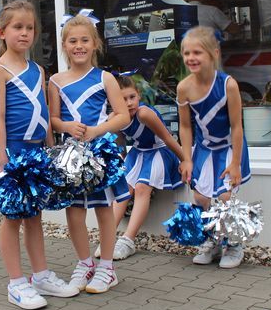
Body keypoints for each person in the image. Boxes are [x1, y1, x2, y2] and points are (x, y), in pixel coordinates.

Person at [0, 1, 79, 310]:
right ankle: (16, 282)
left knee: (34, 216)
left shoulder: (38, 70)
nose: (25, 33)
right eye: (18, 27)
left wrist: (50, 148)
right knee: (12, 218)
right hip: (13, 152)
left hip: (36, 153)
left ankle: (40, 275)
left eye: (30, 28)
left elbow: (45, 113)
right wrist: (2, 158)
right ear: (2, 32)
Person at [48, 12, 131, 294]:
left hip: (98, 154)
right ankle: (85, 263)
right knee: (74, 211)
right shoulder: (55, 81)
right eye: (72, 41)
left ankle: (107, 267)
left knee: (103, 209)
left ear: (95, 44)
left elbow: (123, 115)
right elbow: (53, 119)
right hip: (70, 157)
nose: (79, 46)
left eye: (85, 40)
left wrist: (97, 131)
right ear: (64, 45)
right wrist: (66, 126)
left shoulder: (105, 78)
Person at [176, 26, 251, 268]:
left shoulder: (229, 85)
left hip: (229, 147)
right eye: (187, 53)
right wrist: (187, 158)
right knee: (200, 196)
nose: (191, 58)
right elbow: (185, 127)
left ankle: (234, 244)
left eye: (197, 52)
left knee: (225, 195)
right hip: (205, 148)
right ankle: (212, 240)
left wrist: (236, 163)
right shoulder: (183, 88)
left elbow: (237, 126)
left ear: (214, 53)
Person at [105, 75, 185, 260]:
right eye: (123, 99)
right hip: (137, 153)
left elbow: (167, 138)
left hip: (160, 151)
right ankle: (107, 237)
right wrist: (123, 165)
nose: (129, 103)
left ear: (139, 95)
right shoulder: (115, 118)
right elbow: (120, 142)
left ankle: (127, 240)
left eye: (132, 97)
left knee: (142, 187)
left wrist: (185, 160)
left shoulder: (144, 113)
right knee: (123, 188)